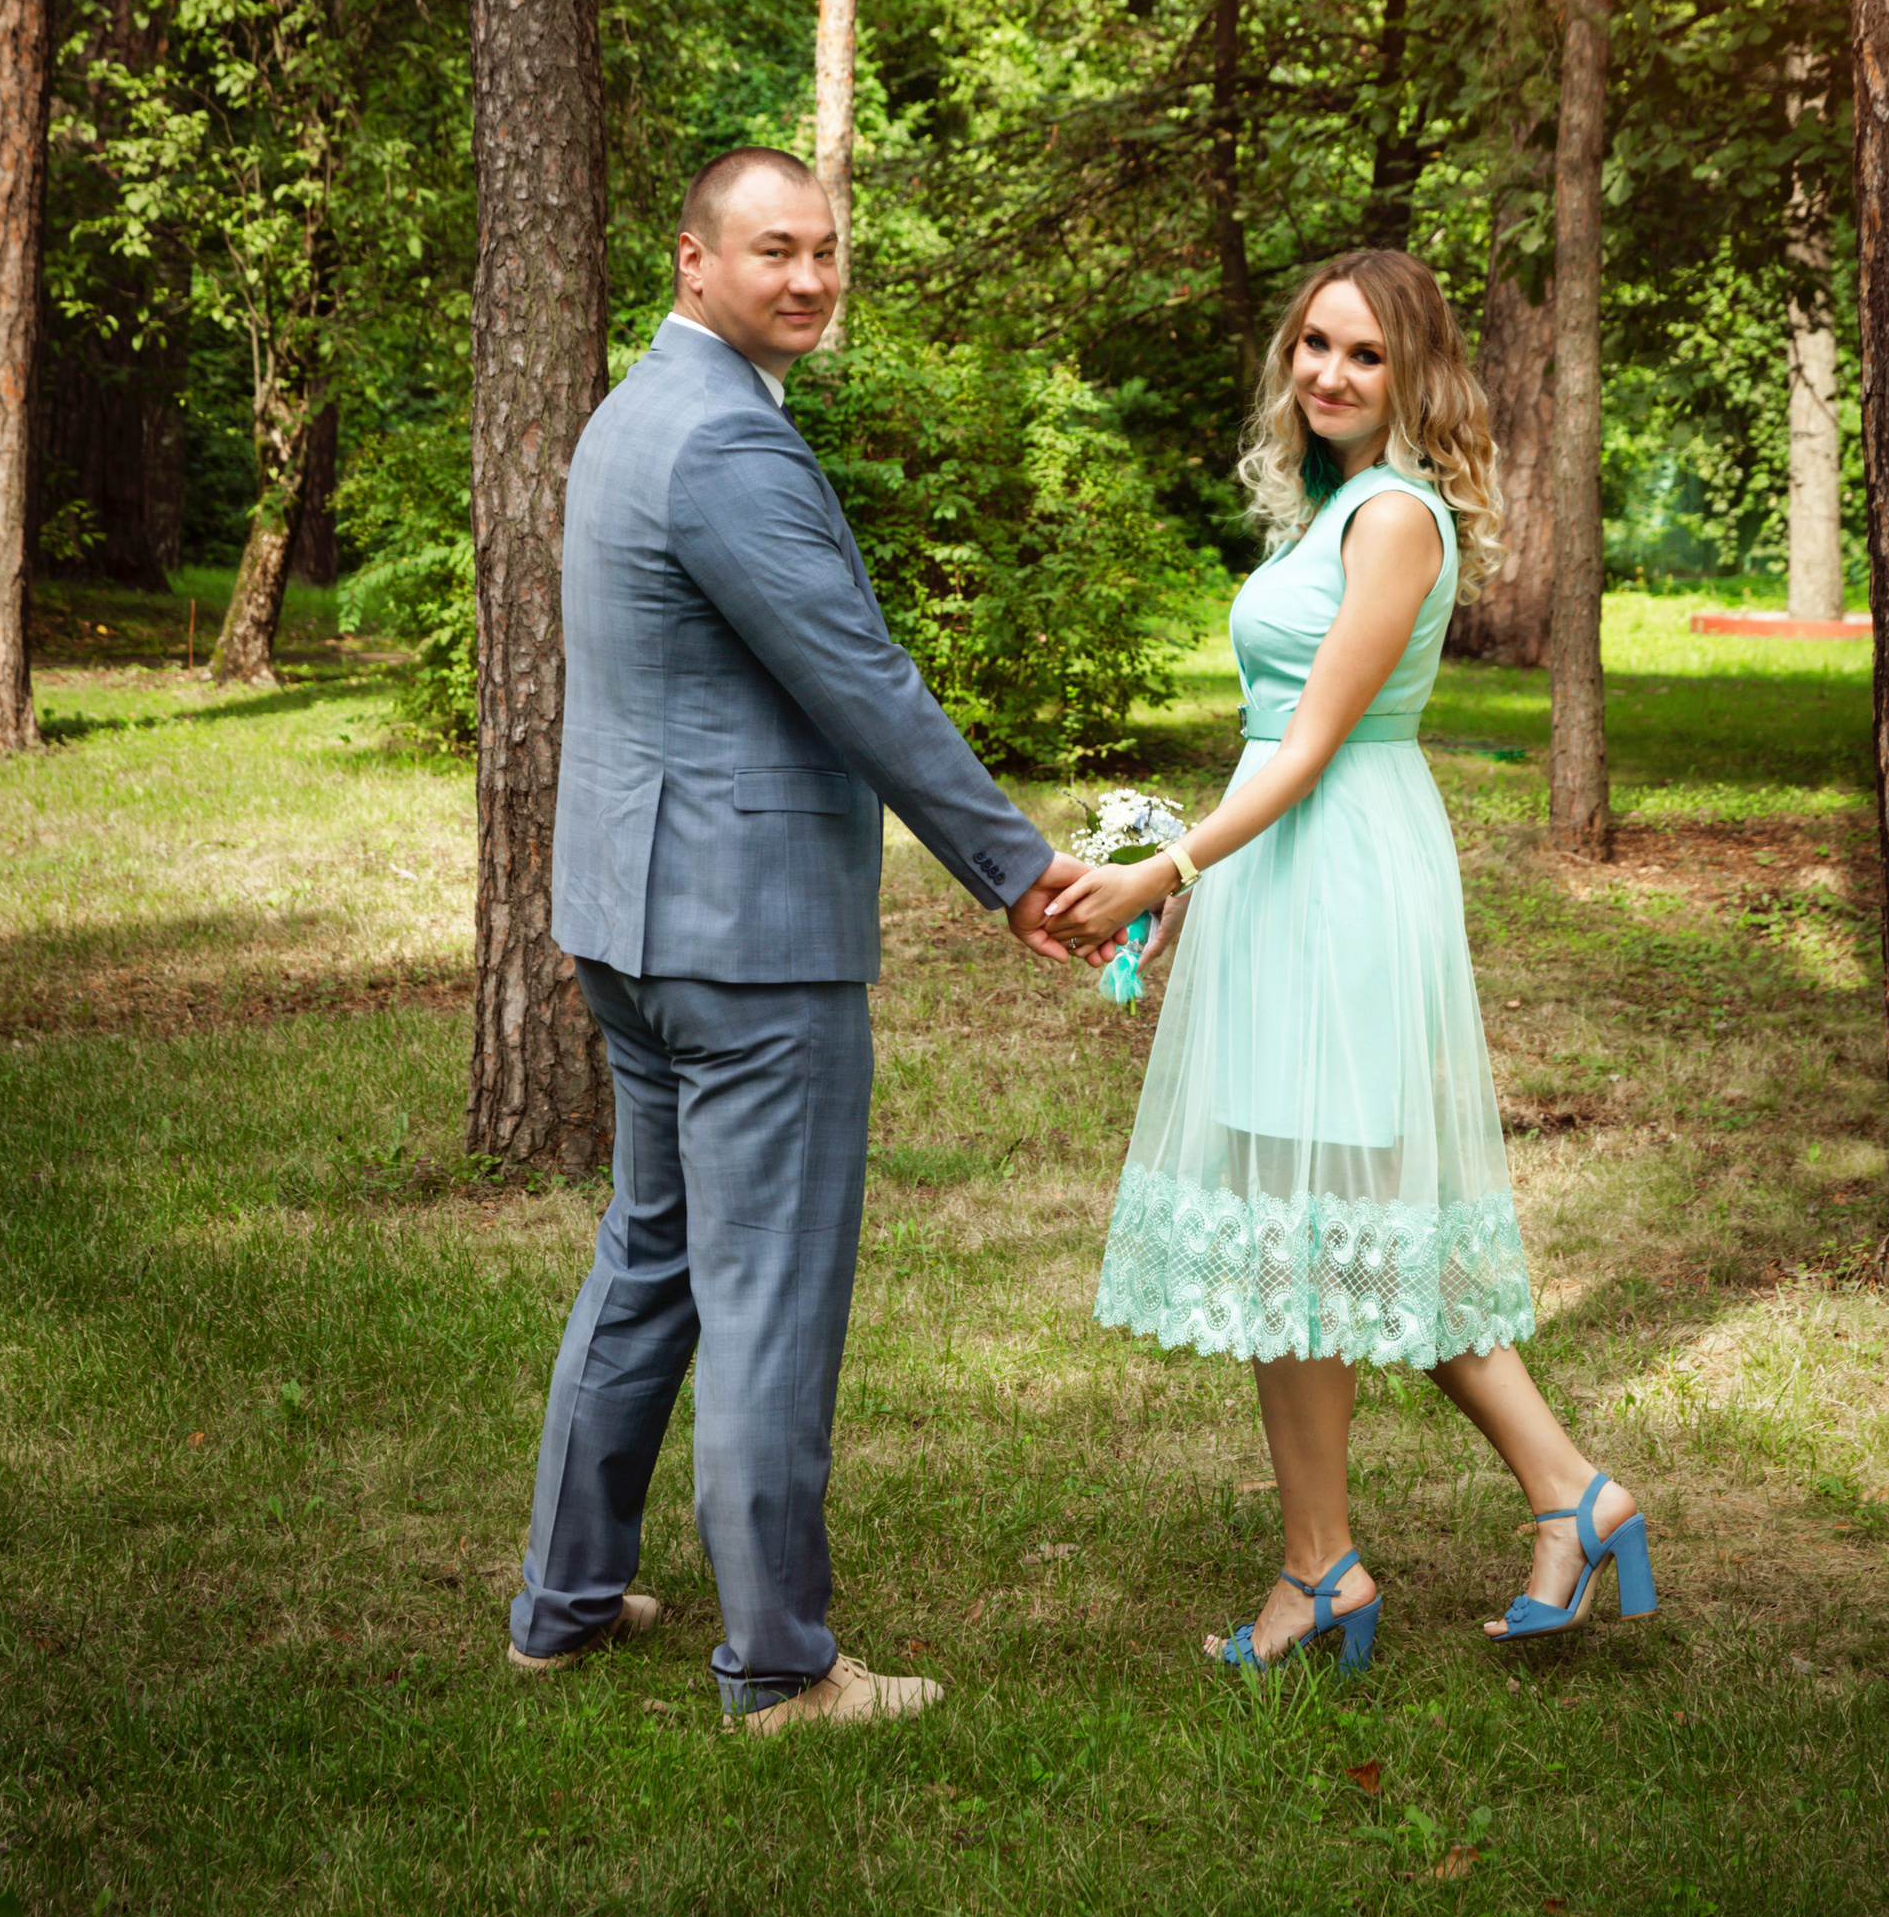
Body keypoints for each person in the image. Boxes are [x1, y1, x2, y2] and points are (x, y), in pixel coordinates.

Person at [512, 149, 1092, 1728]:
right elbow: (864, 683)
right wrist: (1019, 872)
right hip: (744, 941)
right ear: (694, 262)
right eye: (776, 250)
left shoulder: (633, 415)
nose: (811, 279)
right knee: (765, 1289)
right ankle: (780, 1667)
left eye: (827, 252)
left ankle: (564, 1599)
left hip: (634, 923)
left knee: (656, 1255)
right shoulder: (726, 447)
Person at [1049, 250, 1655, 1671]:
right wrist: (1194, 869)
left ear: (1416, 376)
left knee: (1351, 1209)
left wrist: (1164, 863)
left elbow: (1316, 744)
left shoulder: (1395, 518)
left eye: (1365, 356)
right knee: (1294, 1218)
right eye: (1314, 345)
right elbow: (1277, 734)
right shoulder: (1328, 510)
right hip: (1281, 867)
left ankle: (1551, 1494)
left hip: (1342, 869)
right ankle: (1336, 1561)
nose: (1328, 373)